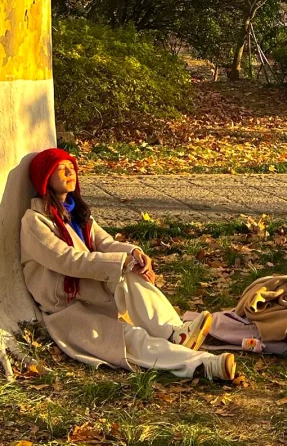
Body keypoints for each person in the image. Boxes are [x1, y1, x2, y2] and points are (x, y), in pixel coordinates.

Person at [21, 148, 237, 383]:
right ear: (45, 179)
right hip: (66, 306)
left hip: (92, 290)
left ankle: (175, 332)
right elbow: (67, 259)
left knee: (132, 273)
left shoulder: (77, 213)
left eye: (71, 167)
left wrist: (134, 254)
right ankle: (204, 364)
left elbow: (105, 243)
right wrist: (122, 262)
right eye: (61, 169)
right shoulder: (35, 221)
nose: (69, 172)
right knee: (129, 339)